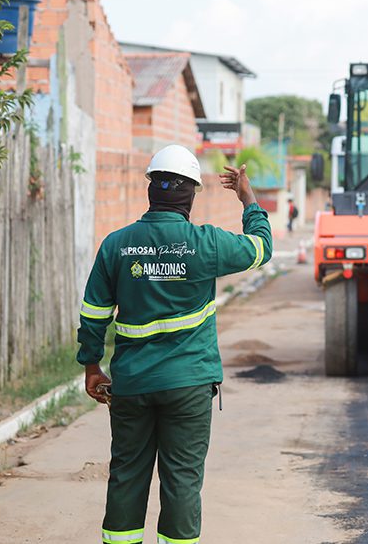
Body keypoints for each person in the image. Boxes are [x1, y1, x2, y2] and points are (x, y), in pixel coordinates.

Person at [77, 144, 272, 544]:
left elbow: (94, 312)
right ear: (192, 193)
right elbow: (260, 248)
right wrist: (247, 196)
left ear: (152, 188)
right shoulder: (207, 243)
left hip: (131, 385)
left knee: (127, 475)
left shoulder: (117, 244)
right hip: (188, 385)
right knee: (182, 480)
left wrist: (92, 365)